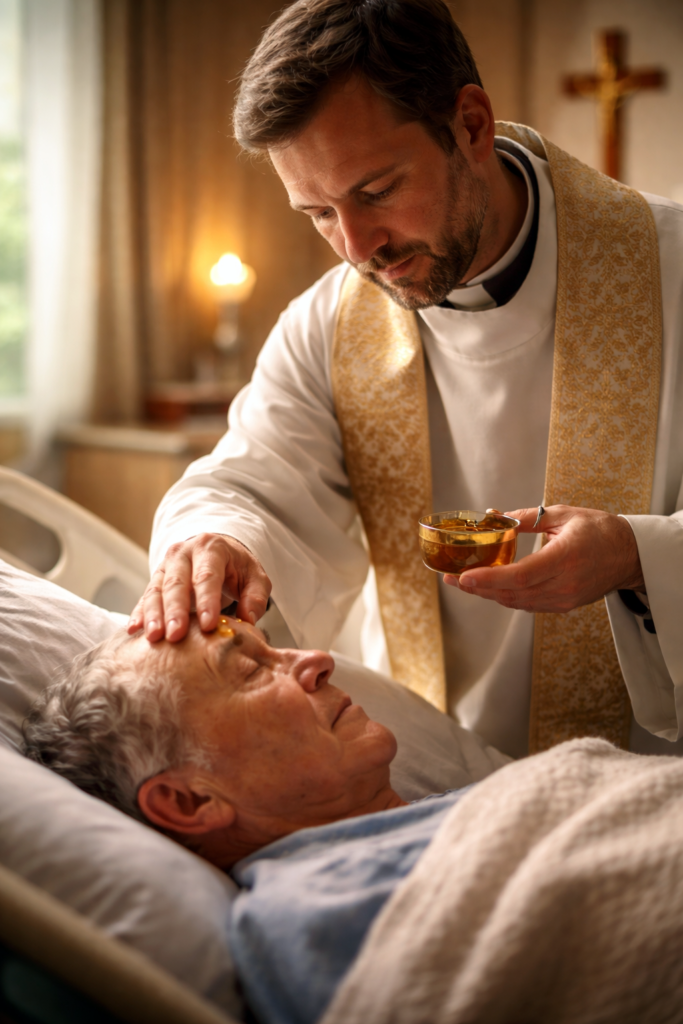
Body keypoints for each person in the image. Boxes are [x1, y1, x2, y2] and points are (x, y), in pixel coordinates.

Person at [134, 0, 683, 758]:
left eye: (376, 190)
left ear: (470, 125)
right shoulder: (329, 323)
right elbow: (251, 478)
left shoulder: (671, 271)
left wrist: (634, 556)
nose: (357, 248)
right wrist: (215, 538)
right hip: (426, 764)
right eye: (318, 213)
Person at [23, 614, 472, 1024]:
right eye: (253, 670)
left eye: (270, 649)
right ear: (189, 803)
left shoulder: (451, 816)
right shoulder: (322, 913)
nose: (318, 660)